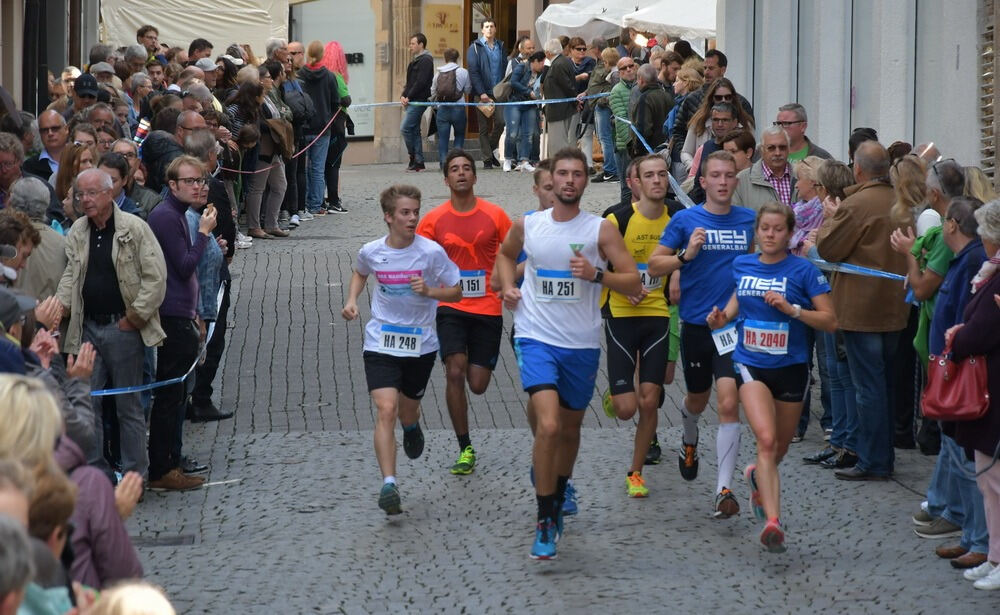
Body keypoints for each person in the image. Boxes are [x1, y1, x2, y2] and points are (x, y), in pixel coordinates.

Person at [497, 147, 640, 560]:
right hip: (535, 335)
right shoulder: (529, 225)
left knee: (571, 429)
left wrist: (597, 274)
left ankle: (558, 494)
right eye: (563, 173)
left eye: (577, 174)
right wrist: (509, 286)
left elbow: (632, 282)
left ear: (585, 181)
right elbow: (506, 255)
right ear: (552, 180)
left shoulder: (601, 231)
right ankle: (544, 518)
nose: (569, 180)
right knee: (549, 425)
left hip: (580, 342)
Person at [706, 202, 837, 552]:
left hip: (792, 367)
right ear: (757, 231)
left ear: (789, 232)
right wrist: (723, 317)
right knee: (765, 441)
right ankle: (773, 522)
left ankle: (755, 476)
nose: (770, 234)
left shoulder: (803, 270)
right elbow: (737, 300)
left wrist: (793, 310)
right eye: (765, 228)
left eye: (778, 229)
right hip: (750, 364)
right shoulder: (742, 264)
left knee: (777, 448)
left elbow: (830, 320)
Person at [648, 151, 756, 518]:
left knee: (729, 402)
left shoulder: (749, 221)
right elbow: (654, 264)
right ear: (704, 182)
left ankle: (723, 488)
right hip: (696, 325)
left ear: (736, 181)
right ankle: (689, 433)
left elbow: (756, 265)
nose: (723, 182)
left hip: (731, 327)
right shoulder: (686, 219)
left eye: (729, 176)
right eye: (716, 176)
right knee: (698, 397)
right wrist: (684, 257)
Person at [341, 184, 461, 514]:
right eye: (405, 213)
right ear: (389, 217)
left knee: (407, 411)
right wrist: (351, 300)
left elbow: (457, 292)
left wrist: (431, 291)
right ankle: (389, 483)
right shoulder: (372, 250)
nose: (412, 218)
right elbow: (360, 272)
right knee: (386, 409)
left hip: (420, 345)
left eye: (415, 212)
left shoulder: (431, 253)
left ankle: (411, 427)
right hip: (380, 341)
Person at [55, 168, 166, 481]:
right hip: (87, 328)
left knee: (127, 406)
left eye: (91, 193)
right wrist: (59, 307)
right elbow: (70, 276)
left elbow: (155, 278)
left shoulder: (134, 227)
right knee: (87, 403)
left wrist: (135, 317)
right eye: (80, 194)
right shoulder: (78, 230)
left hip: (122, 328)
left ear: (110, 194)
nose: (85, 200)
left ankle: (135, 476)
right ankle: (96, 476)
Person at [816, 140, 908, 481]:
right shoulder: (902, 200)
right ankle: (882, 455)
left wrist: (828, 221)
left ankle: (873, 460)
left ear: (857, 168)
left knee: (867, 387)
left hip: (861, 309)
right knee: (884, 384)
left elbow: (828, 248)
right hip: (895, 306)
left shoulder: (856, 204)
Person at [416, 150, 511, 475]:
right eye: (454, 169)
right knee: (454, 372)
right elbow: (419, 261)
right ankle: (464, 446)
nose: (460, 173)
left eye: (466, 168)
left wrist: (507, 279)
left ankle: (475, 360)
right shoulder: (432, 220)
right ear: (445, 179)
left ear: (474, 176)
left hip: (487, 306)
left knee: (478, 383)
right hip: (450, 306)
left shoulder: (495, 215)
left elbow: (515, 253)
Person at [912, 197, 989, 569]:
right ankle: (964, 528)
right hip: (947, 364)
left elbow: (970, 320)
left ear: (953, 224)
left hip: (961, 370)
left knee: (969, 461)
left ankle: (977, 537)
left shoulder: (974, 261)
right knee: (955, 451)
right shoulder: (969, 260)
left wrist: (952, 351)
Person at [602, 155, 681, 498]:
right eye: (649, 175)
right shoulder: (616, 219)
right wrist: (625, 284)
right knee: (626, 409)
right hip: (621, 314)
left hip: (657, 314)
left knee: (651, 400)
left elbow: (687, 253)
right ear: (636, 182)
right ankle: (617, 395)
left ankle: (635, 472)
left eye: (662, 174)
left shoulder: (678, 217)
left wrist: (677, 272)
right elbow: (598, 265)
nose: (657, 181)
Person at [146, 156, 216, 490]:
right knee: (170, 396)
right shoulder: (166, 216)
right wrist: (204, 233)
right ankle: (163, 468)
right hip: (170, 316)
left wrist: (196, 313)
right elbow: (186, 265)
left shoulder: (177, 214)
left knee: (176, 395)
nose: (198, 186)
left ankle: (171, 462)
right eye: (190, 181)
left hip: (182, 313)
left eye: (200, 180)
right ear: (172, 184)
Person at [947, 198, 1000, 590]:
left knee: (995, 478)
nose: (980, 237)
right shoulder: (990, 271)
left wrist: (958, 337)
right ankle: (994, 554)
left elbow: (981, 330)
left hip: (993, 389)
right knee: (987, 478)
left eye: (984, 231)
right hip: (985, 390)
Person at [298, 41, 341, 217]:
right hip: (323, 128)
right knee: (317, 168)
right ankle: (315, 204)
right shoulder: (330, 77)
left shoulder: (299, 75)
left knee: (303, 169)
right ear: (322, 55)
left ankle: (305, 204)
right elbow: (336, 102)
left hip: (304, 126)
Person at [8, 177, 66, 301]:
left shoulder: (6, 236)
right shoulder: (62, 242)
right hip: (51, 316)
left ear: (12, 201)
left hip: (10, 316)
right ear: (46, 203)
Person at [467, 20, 506, 168]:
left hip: (498, 92)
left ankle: (488, 150)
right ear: (482, 30)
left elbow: (504, 68)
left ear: (495, 29)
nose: (489, 29)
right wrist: (482, 92)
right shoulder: (475, 47)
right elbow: (474, 71)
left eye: (492, 26)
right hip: (481, 93)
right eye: (486, 27)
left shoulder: (500, 46)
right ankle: (487, 159)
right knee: (483, 128)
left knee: (501, 122)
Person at [733, 126, 798, 210]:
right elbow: (736, 218)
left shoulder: (800, 176)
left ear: (789, 149)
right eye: (771, 148)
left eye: (782, 147)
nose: (777, 153)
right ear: (762, 150)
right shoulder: (742, 180)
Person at [504, 51, 544, 173]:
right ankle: (508, 159)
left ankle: (525, 161)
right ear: (535, 61)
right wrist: (528, 92)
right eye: (541, 62)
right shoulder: (522, 67)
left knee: (528, 133)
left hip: (530, 105)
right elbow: (514, 82)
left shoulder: (540, 73)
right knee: (512, 133)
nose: (543, 65)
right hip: (516, 103)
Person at [400, 33, 434, 172]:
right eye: (410, 43)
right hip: (412, 99)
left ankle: (413, 156)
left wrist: (409, 96)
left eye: (413, 43)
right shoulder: (415, 60)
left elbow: (421, 82)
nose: (411, 46)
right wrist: (403, 95)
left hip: (419, 100)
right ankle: (419, 161)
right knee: (414, 130)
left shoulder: (426, 60)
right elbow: (410, 82)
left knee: (405, 128)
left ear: (421, 45)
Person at [431, 48, 471, 168]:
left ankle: (443, 163)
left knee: (443, 138)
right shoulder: (463, 72)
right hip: (458, 108)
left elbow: (433, 91)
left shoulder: (438, 73)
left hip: (443, 109)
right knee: (459, 136)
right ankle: (457, 163)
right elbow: (468, 90)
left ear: (445, 58)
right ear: (457, 58)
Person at [588, 46, 621, 183]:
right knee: (608, 139)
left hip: (604, 108)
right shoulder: (615, 74)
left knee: (605, 138)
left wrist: (601, 100)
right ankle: (611, 168)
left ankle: (610, 170)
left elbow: (613, 94)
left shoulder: (614, 75)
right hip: (605, 107)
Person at [541, 38, 578, 157]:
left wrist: (575, 101)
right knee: (557, 142)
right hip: (561, 108)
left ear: (548, 52)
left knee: (557, 143)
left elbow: (567, 86)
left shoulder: (558, 64)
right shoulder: (562, 62)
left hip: (559, 110)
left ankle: (559, 168)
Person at [609, 56, 638, 205]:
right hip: (624, 146)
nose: (628, 69)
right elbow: (620, 121)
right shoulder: (617, 91)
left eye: (631, 66)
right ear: (619, 72)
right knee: (627, 187)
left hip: (638, 144)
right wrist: (630, 144)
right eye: (624, 68)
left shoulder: (639, 86)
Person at [22, 111, 68, 180]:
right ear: (40, 133)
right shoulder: (30, 166)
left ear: (66, 129)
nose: (50, 133)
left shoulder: (79, 158)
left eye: (55, 128)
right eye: (45, 130)